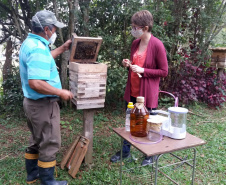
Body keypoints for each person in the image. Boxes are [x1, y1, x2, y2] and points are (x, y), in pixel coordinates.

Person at [19, 10, 73, 185]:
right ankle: (48, 181)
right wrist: (60, 92)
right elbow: (35, 82)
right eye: (54, 29)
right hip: (43, 104)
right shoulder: (37, 48)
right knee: (50, 141)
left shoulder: (31, 43)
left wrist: (63, 48)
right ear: (46, 29)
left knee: (36, 138)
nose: (55, 32)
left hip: (32, 103)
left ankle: (32, 174)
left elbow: (44, 60)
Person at [110, 10, 168, 166]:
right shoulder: (135, 43)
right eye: (133, 26)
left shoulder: (157, 45)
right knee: (130, 122)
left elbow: (164, 71)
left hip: (147, 93)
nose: (133, 29)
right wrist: (127, 64)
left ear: (146, 28)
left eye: (135, 27)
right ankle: (125, 152)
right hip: (133, 91)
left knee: (148, 124)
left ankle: (151, 155)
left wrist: (144, 71)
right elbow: (135, 66)